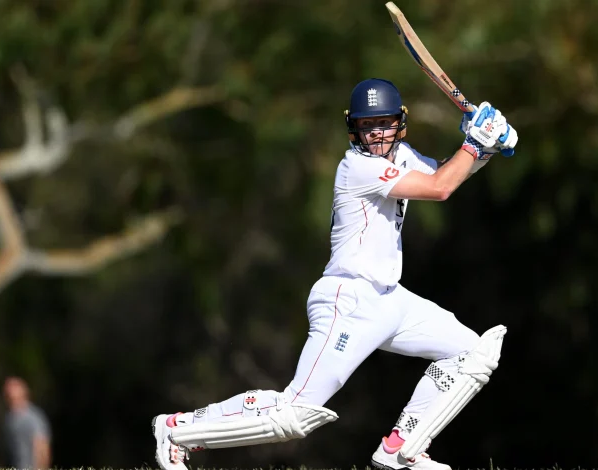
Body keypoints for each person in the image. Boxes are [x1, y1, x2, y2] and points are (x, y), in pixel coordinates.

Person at [152, 78, 518, 470]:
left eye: (385, 123)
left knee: (471, 353)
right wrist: (475, 142)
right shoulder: (357, 166)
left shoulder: (405, 155)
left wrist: (485, 150)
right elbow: (439, 188)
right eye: (368, 125)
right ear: (354, 128)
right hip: (349, 299)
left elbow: (448, 173)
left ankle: (401, 449)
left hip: (390, 299)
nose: (377, 132)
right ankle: (177, 429)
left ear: (400, 123)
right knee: (294, 415)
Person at [2, 376, 52, 470]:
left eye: (13, 387)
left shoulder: (34, 417)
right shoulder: (9, 419)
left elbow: (42, 446)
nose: (9, 391)